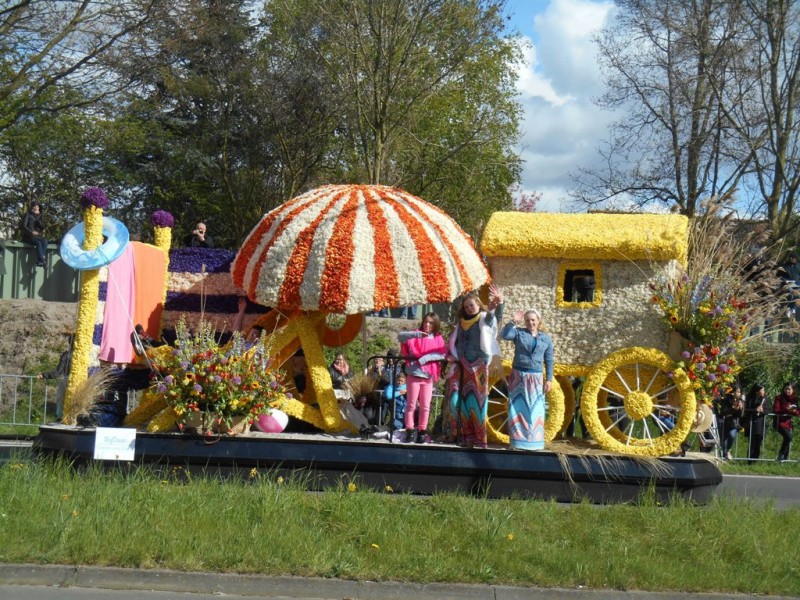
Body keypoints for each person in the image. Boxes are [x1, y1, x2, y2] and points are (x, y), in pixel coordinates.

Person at [445, 283, 504, 449]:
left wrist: (499, 302)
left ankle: (478, 438)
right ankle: (464, 434)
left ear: (478, 305)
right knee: (456, 400)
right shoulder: (460, 323)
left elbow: (494, 318)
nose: (469, 308)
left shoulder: (484, 318)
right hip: (461, 365)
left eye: (472, 305)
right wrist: (451, 355)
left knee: (477, 402)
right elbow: (454, 343)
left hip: (478, 365)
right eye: (466, 307)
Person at [500, 308, 554, 450]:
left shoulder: (546, 338)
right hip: (519, 376)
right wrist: (513, 322)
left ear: (538, 321)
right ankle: (517, 442)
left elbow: (549, 360)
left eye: (533, 320)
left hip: (536, 377)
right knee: (517, 408)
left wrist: (549, 379)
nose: (530, 322)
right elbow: (504, 335)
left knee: (536, 409)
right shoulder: (519, 333)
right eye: (527, 320)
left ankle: (534, 442)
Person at [398, 312, 447, 443]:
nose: (427, 324)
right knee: (411, 404)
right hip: (414, 375)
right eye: (426, 321)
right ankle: (409, 430)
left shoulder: (438, 338)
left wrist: (426, 358)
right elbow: (400, 336)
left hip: (428, 377)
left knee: (425, 406)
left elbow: (442, 354)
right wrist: (417, 335)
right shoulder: (415, 334)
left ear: (435, 324)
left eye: (431, 322)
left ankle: (422, 431)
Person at [715, 385, 744, 460]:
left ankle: (728, 450)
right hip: (725, 422)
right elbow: (723, 412)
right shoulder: (726, 399)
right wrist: (733, 408)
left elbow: (741, 415)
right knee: (723, 440)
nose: (738, 394)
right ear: (733, 392)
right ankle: (723, 455)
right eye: (737, 392)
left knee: (732, 435)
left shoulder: (741, 401)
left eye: (739, 392)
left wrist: (740, 409)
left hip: (734, 423)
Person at [772, 382, 800, 462]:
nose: (787, 391)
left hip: (788, 423)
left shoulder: (794, 399)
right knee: (788, 437)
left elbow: (798, 411)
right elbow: (776, 410)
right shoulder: (779, 397)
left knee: (787, 439)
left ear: (793, 390)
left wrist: (794, 411)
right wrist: (786, 410)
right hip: (779, 422)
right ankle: (781, 455)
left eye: (789, 389)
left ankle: (784, 460)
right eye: (786, 389)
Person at [743, 383, 768, 461]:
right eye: (762, 390)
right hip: (751, 423)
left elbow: (767, 410)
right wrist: (755, 410)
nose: (763, 391)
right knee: (752, 442)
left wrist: (762, 410)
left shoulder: (764, 398)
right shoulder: (749, 398)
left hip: (760, 424)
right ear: (757, 391)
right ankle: (750, 460)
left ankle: (755, 460)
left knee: (758, 442)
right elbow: (745, 410)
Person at [21, 201, 48, 267]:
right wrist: (31, 232)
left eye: (37, 207)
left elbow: (42, 228)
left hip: (37, 235)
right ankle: (42, 261)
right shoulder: (27, 214)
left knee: (45, 241)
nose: (36, 208)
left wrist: (40, 219)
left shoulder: (40, 215)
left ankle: (40, 260)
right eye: (34, 206)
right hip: (28, 236)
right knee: (38, 243)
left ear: (39, 208)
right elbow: (24, 226)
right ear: (32, 207)